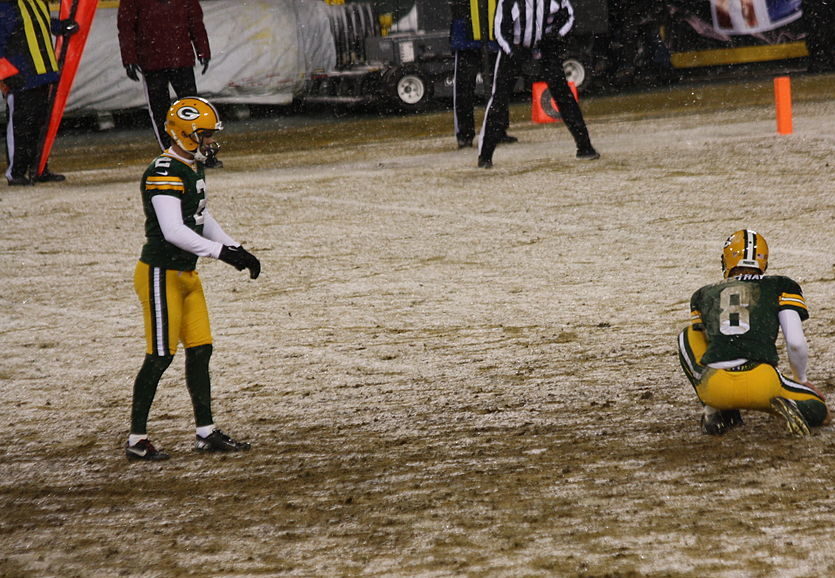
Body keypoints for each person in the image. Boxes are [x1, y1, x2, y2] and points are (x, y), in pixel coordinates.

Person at [126, 97, 260, 461]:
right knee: (159, 356)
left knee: (201, 350)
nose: (209, 143)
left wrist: (236, 248)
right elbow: (173, 230)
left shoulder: (189, 166)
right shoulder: (165, 170)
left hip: (185, 274)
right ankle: (137, 439)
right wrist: (221, 253)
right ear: (185, 134)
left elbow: (201, 217)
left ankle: (205, 431)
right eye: (203, 135)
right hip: (160, 273)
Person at [677, 229, 830, 437]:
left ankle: (717, 411)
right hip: (762, 380)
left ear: (726, 261)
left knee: (688, 334)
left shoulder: (703, 294)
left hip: (717, 385)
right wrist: (801, 379)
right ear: (763, 262)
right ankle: (792, 402)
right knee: (818, 408)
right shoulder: (780, 286)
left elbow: (706, 337)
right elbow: (795, 342)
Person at [477, 0, 598, 168]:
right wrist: (514, 53)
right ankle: (485, 156)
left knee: (564, 96)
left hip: (545, 48)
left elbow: (569, 16)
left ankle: (584, 147)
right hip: (514, 50)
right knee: (499, 100)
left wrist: (555, 36)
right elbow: (499, 31)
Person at [117, 0, 220, 166]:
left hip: (175, 58)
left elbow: (195, 21)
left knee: (191, 110)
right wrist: (129, 57)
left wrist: (203, 49)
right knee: (164, 111)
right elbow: (126, 26)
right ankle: (172, 154)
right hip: (156, 61)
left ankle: (199, 153)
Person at [0, 0, 77, 186]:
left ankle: (39, 168)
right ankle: (16, 172)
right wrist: (4, 73)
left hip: (42, 72)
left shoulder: (36, 2)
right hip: (20, 76)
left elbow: (39, 22)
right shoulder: (5, 5)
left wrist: (61, 26)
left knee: (39, 124)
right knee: (21, 126)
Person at [448, 0, 516, 149]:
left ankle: (497, 129)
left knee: (498, 87)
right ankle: (465, 134)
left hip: (494, 34)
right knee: (464, 89)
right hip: (466, 35)